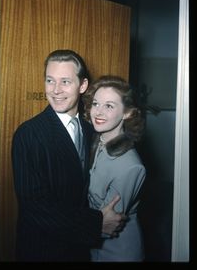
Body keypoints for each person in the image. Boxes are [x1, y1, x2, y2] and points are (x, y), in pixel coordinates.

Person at [11, 50, 126, 262]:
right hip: (43, 251)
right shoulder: (28, 134)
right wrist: (96, 223)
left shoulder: (91, 128)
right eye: (50, 80)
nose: (56, 90)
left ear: (82, 86)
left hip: (81, 251)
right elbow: (35, 207)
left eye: (65, 81)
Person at [83, 75, 146, 262]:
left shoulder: (131, 166)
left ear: (127, 113)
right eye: (95, 104)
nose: (98, 112)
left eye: (109, 106)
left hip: (118, 252)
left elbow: (108, 223)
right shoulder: (94, 143)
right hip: (91, 247)